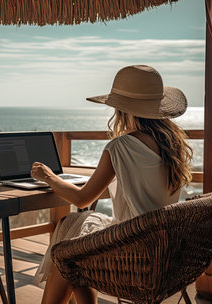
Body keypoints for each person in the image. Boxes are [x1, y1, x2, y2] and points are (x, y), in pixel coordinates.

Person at [30, 65, 193, 304]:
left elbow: (82, 199)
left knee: (66, 254)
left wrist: (48, 176)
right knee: (70, 225)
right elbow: (144, 186)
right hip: (162, 246)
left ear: (121, 109)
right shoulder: (172, 146)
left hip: (131, 250)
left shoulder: (121, 146)